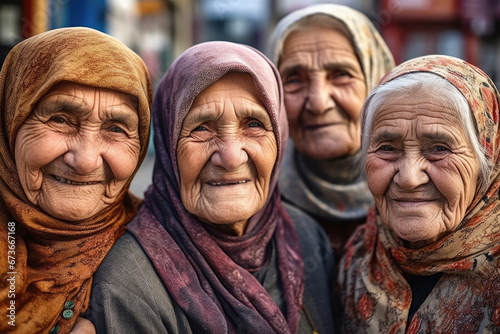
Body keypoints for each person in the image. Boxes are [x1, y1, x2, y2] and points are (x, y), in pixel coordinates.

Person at [86, 41, 335, 334]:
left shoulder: (305, 236)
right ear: (167, 145)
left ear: (279, 137)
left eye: (254, 124)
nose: (230, 157)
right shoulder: (128, 287)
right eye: (201, 127)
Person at [0, 27, 152, 334]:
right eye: (60, 119)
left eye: (116, 129)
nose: (84, 161)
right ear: (11, 121)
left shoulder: (161, 254)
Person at [337, 55, 500, 333]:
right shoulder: (360, 255)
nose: (409, 178)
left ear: (488, 161)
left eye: (439, 148)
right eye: (387, 148)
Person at [267, 4, 395, 258]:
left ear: (376, 80)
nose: (318, 103)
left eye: (341, 74)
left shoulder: (419, 190)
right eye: (293, 79)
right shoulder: (254, 201)